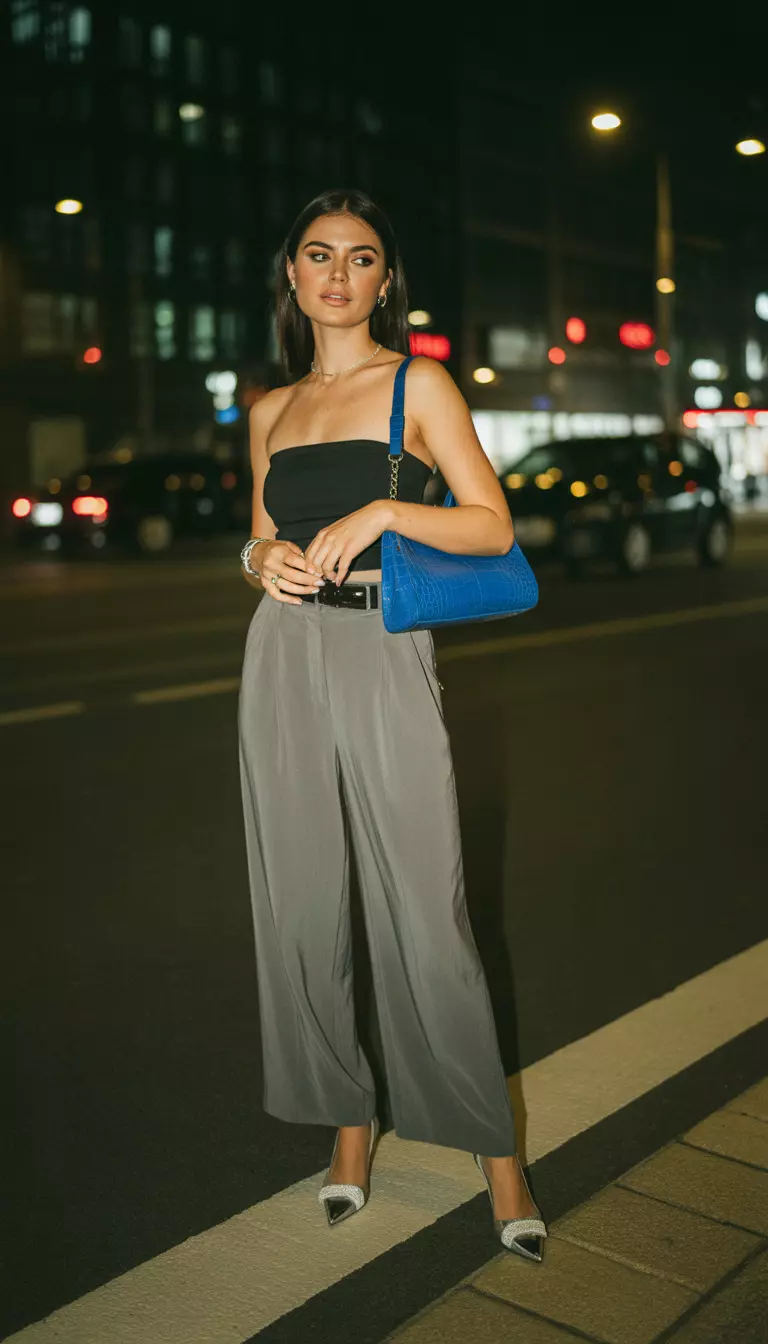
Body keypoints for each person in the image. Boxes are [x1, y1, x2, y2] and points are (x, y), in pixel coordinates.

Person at [238, 189, 546, 1260]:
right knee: (301, 903)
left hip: (383, 643)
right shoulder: (269, 410)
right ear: (293, 274)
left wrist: (378, 511)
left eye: (360, 259)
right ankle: (350, 1126)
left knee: (428, 904)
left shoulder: (418, 385)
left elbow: (491, 521)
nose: (337, 274)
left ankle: (497, 1154)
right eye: (317, 255)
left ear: (383, 280)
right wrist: (255, 558)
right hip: (281, 657)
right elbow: (258, 538)